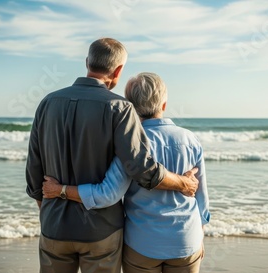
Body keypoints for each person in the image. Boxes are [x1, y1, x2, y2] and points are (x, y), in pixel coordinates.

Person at [25, 38, 199, 273]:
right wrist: (183, 183)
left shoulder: (47, 102)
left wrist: (47, 209)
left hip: (54, 225)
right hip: (101, 230)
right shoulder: (120, 107)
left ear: (87, 62)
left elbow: (34, 166)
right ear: (118, 71)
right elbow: (141, 169)